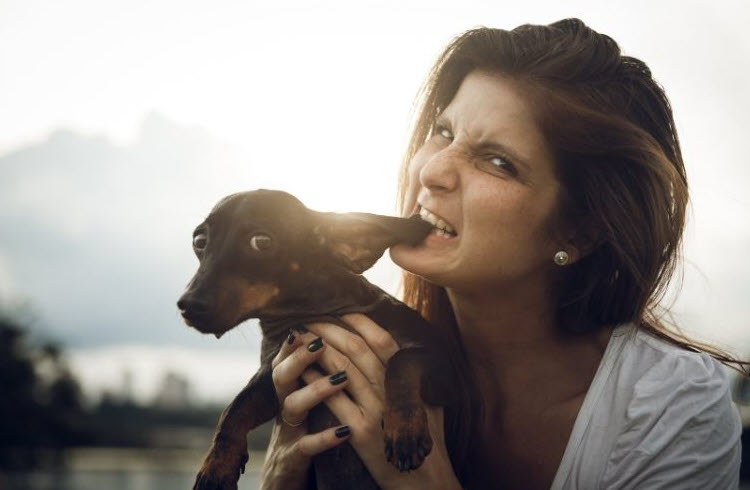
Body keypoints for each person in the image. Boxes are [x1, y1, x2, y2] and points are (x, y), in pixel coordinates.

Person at [259, 18, 744, 489]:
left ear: (579, 233)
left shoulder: (669, 408)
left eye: (498, 162)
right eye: (443, 131)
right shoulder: (362, 360)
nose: (433, 171)